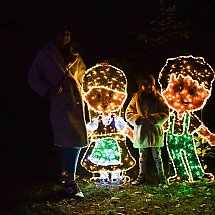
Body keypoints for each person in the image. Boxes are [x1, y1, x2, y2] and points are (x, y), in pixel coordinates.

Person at [28, 24, 88, 198]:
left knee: (74, 141)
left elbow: (84, 75)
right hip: (61, 103)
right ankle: (70, 181)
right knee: (72, 141)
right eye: (62, 32)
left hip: (76, 101)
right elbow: (33, 77)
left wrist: (98, 70)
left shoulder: (74, 54)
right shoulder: (45, 55)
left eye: (68, 33)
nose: (66, 36)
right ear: (54, 34)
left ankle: (65, 176)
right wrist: (48, 90)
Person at [125, 73, 169, 185]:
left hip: (154, 131)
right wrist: (137, 119)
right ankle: (141, 175)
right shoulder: (136, 98)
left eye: (151, 84)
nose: (148, 87)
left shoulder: (158, 98)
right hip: (142, 131)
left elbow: (165, 112)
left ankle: (161, 176)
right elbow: (129, 113)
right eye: (145, 84)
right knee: (142, 156)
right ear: (141, 86)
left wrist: (154, 118)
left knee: (157, 156)